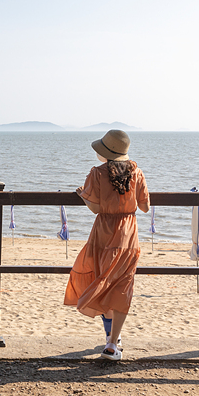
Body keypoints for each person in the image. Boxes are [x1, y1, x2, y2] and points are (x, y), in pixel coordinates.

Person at [64, 129, 150, 361]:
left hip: (103, 233)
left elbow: (95, 208)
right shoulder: (137, 172)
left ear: (105, 152)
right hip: (128, 235)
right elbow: (145, 207)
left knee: (102, 282)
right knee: (122, 286)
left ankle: (110, 338)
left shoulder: (96, 173)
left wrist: (83, 195)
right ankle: (114, 342)